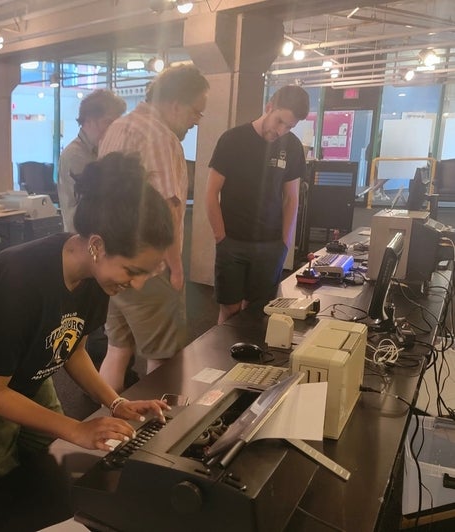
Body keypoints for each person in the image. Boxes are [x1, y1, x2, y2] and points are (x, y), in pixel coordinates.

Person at [0, 152, 174, 522]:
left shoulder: (94, 278)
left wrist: (116, 402)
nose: (135, 284)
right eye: (132, 270)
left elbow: (72, 351)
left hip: (27, 375)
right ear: (97, 245)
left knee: (51, 472)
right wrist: (76, 428)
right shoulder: (18, 279)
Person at [97, 64, 210, 393]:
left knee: (118, 350)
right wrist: (176, 269)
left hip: (113, 265)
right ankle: (156, 437)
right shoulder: (161, 137)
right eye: (196, 112)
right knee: (163, 360)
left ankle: (108, 426)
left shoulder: (119, 127)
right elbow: (168, 211)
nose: (196, 121)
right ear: (176, 103)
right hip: (149, 267)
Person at [206, 85, 310, 325]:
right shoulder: (232, 139)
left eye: (290, 127)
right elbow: (211, 193)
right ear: (269, 107)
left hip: (270, 245)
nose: (281, 131)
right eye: (279, 121)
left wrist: (285, 243)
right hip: (232, 241)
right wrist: (220, 237)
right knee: (230, 309)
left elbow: (292, 198)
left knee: (259, 311)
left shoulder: (292, 146)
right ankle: (222, 361)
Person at [57, 89, 126, 233]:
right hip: (82, 240)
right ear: (88, 120)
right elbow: (97, 201)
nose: (113, 130)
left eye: (117, 124)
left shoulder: (101, 151)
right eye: (108, 122)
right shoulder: (75, 155)